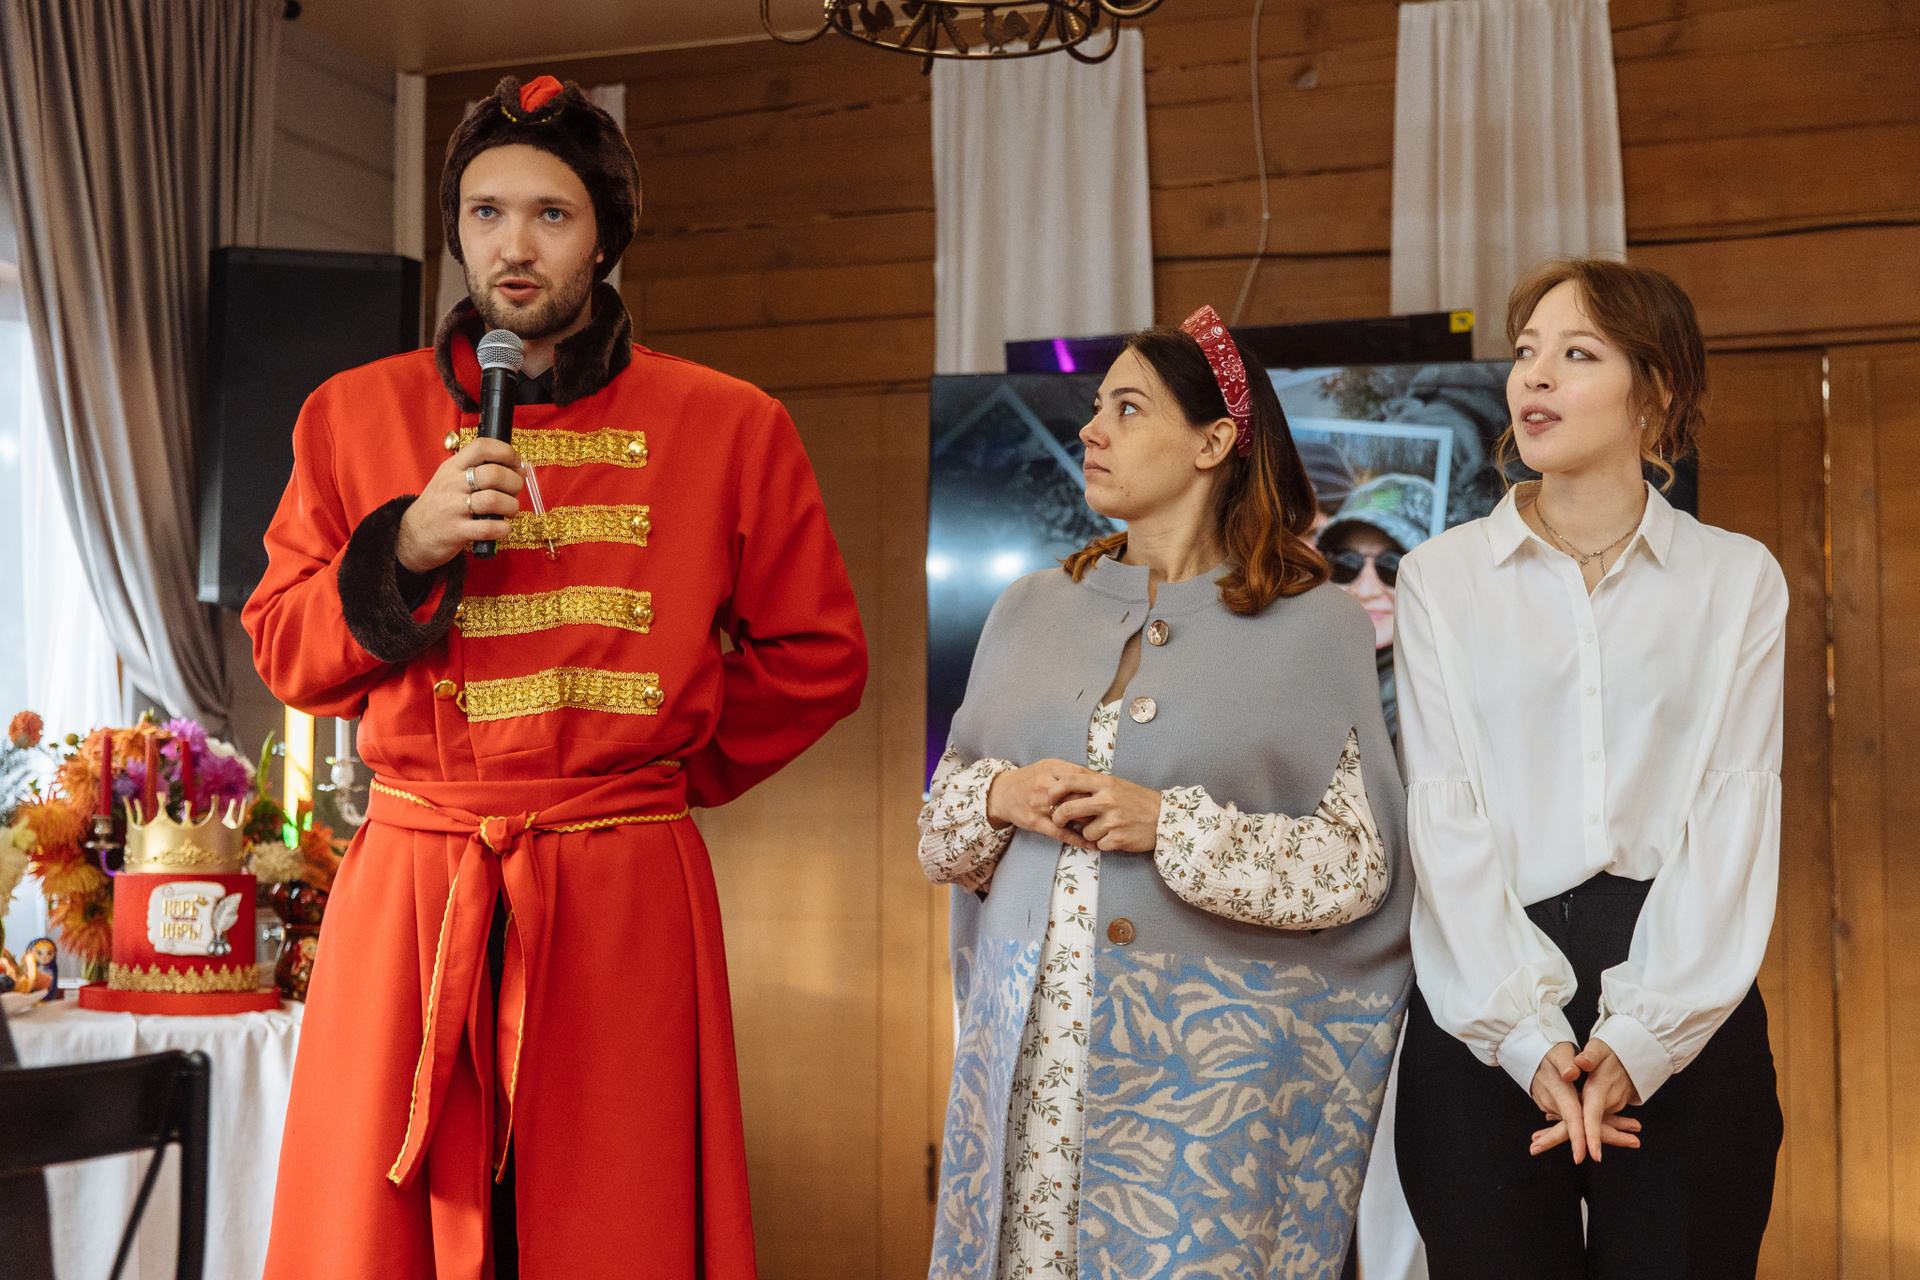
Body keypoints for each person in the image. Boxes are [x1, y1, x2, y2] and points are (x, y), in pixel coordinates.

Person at [244, 75, 867, 1280]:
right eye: (486, 213)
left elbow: (818, 654)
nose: (513, 247)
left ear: (605, 236)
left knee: (611, 1218)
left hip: (620, 881)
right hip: (414, 878)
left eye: (551, 214)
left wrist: (647, 769)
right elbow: (285, 648)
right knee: (379, 1233)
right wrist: (403, 548)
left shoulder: (731, 422)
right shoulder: (348, 415)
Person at [920, 306, 1413, 1279]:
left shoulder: (1318, 626)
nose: (1091, 430)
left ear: (1213, 441)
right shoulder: (1027, 608)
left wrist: (1169, 824)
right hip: (1025, 1066)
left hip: (1208, 1091)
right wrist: (1001, 795)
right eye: (1095, 407)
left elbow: (1357, 868)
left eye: (1128, 408)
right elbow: (939, 831)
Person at [1391, 257, 1786, 1278]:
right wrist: (1525, 1039)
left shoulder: (1737, 577)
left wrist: (1645, 1039)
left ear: (1656, 389)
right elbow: (1445, 816)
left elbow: (1733, 815)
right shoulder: (1439, 578)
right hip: (1483, 989)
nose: (1534, 377)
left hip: (1685, 983)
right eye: (1526, 353)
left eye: (1576, 354)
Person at [1317, 473, 1435, 748]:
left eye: (1393, 567)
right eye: (1346, 564)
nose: (1366, 589)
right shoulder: (1309, 667)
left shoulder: (1432, 698)